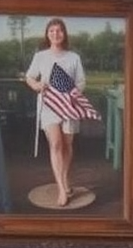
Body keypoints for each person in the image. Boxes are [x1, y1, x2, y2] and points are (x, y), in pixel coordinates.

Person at [24, 17, 87, 207]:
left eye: (59, 30)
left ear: (64, 34)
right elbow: (29, 77)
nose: (55, 34)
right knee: (57, 144)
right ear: (47, 34)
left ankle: (65, 180)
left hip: (69, 105)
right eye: (52, 31)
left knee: (67, 145)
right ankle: (61, 189)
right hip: (49, 105)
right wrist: (36, 84)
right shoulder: (40, 56)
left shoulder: (74, 57)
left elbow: (82, 81)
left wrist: (73, 94)